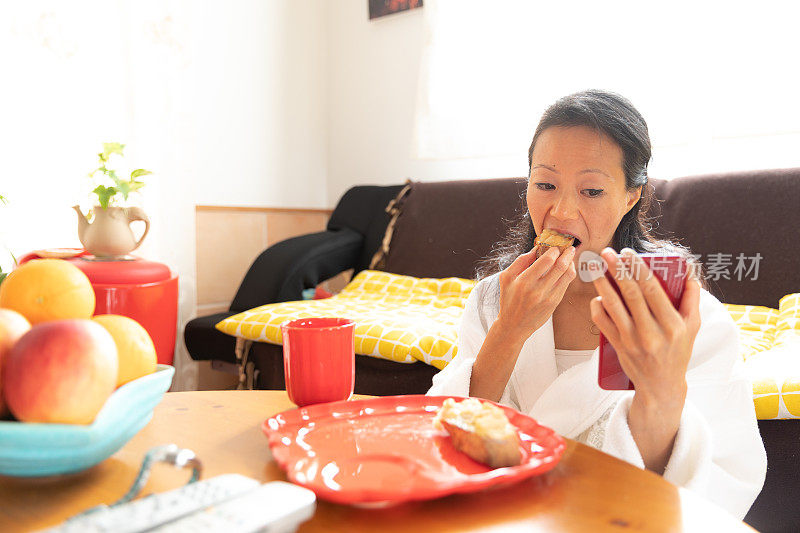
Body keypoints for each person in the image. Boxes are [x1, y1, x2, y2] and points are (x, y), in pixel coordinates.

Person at [427, 89, 767, 519]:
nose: (561, 210)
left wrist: (660, 393)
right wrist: (509, 331)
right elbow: (448, 428)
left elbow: (716, 480)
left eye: (590, 191)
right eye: (545, 184)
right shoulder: (494, 299)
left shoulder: (680, 316)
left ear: (630, 197)